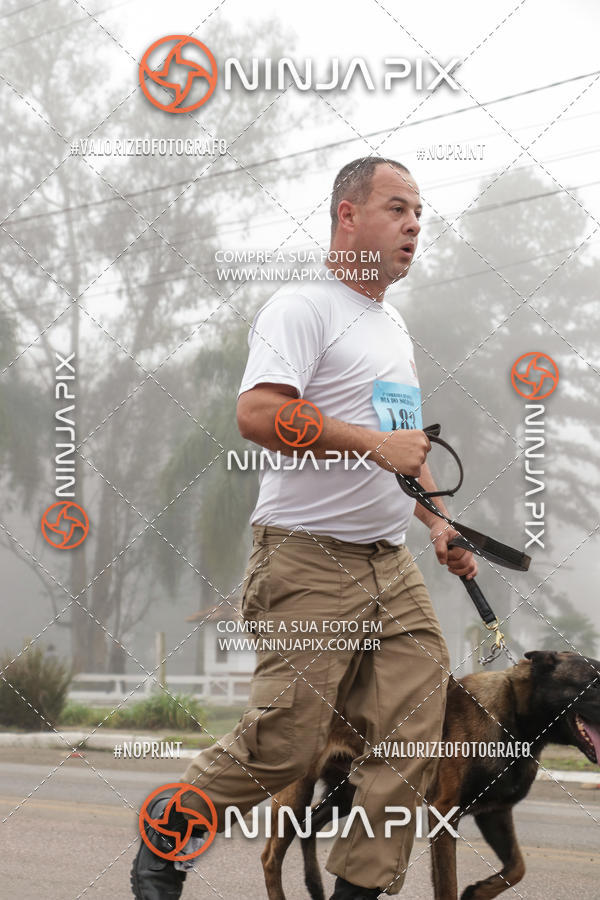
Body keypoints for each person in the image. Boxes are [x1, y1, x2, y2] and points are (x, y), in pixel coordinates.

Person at [131, 156, 477, 900]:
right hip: (306, 559)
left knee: (417, 728)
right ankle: (167, 839)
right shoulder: (304, 306)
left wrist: (442, 525)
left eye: (420, 212)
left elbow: (402, 454)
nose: (415, 224)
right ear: (348, 216)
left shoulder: (391, 328)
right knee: (287, 745)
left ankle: (355, 892)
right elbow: (257, 414)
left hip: (391, 565)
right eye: (397, 207)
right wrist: (375, 442)